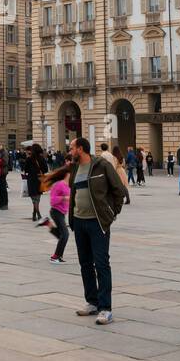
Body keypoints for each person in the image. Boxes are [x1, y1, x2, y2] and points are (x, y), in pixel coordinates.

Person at [67, 137, 127, 325]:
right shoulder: (76, 168)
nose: (70, 151)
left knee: (101, 264)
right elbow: (74, 193)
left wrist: (111, 213)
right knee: (85, 264)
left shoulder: (101, 165)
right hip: (79, 221)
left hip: (97, 222)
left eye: (72, 148)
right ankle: (92, 302)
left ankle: (105, 308)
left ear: (81, 149)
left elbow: (119, 189)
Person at [42, 166, 71, 264]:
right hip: (56, 211)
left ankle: (47, 223)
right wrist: (64, 198)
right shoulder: (59, 185)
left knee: (62, 235)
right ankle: (55, 257)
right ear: (67, 174)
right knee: (65, 234)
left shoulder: (69, 185)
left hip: (62, 212)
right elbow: (52, 200)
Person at [25, 144, 48, 223]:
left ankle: (37, 213)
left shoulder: (29, 159)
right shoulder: (42, 158)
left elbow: (25, 170)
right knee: (37, 198)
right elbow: (46, 169)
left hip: (31, 180)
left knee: (34, 199)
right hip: (39, 179)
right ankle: (35, 213)